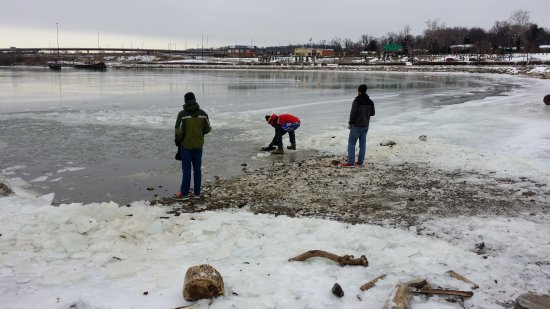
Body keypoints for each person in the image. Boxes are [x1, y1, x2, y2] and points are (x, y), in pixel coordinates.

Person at [174, 92, 212, 200]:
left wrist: (177, 141)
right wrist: (199, 133)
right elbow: (208, 129)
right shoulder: (203, 114)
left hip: (186, 146)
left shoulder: (182, 114)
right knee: (197, 170)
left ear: (185, 101)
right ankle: (197, 193)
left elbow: (178, 131)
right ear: (194, 100)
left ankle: (185, 194)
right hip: (198, 146)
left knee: (186, 170)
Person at [341, 84, 375, 167]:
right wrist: (365, 114)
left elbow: (353, 113)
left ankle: (351, 162)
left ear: (359, 91)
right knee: (363, 144)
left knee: (352, 143)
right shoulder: (370, 101)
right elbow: (373, 113)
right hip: (365, 125)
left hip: (356, 125)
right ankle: (360, 162)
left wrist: (350, 123)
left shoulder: (356, 101)